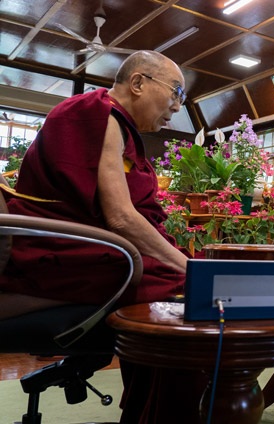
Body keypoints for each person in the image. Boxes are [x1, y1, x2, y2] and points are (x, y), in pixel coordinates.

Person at [0, 51, 205, 422]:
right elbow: (122, 218)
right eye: (176, 91)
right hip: (60, 245)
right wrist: (190, 269)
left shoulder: (117, 125)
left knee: (171, 278)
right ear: (139, 83)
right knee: (175, 287)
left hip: (86, 241)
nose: (177, 106)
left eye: (182, 97)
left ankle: (148, 409)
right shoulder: (94, 112)